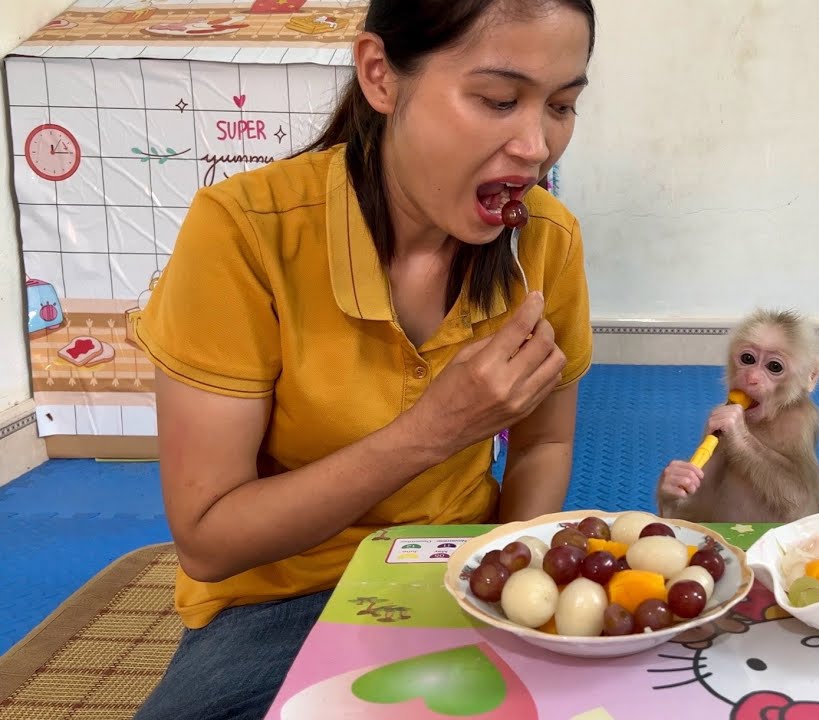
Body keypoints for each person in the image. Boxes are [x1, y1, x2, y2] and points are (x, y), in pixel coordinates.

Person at [129, 0, 597, 717]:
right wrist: (433, 430)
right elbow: (208, 542)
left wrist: (510, 578)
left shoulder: (546, 241)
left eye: (561, 106)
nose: (536, 146)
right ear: (380, 75)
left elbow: (547, 441)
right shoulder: (243, 236)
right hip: (281, 600)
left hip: (459, 568)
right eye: (498, 100)